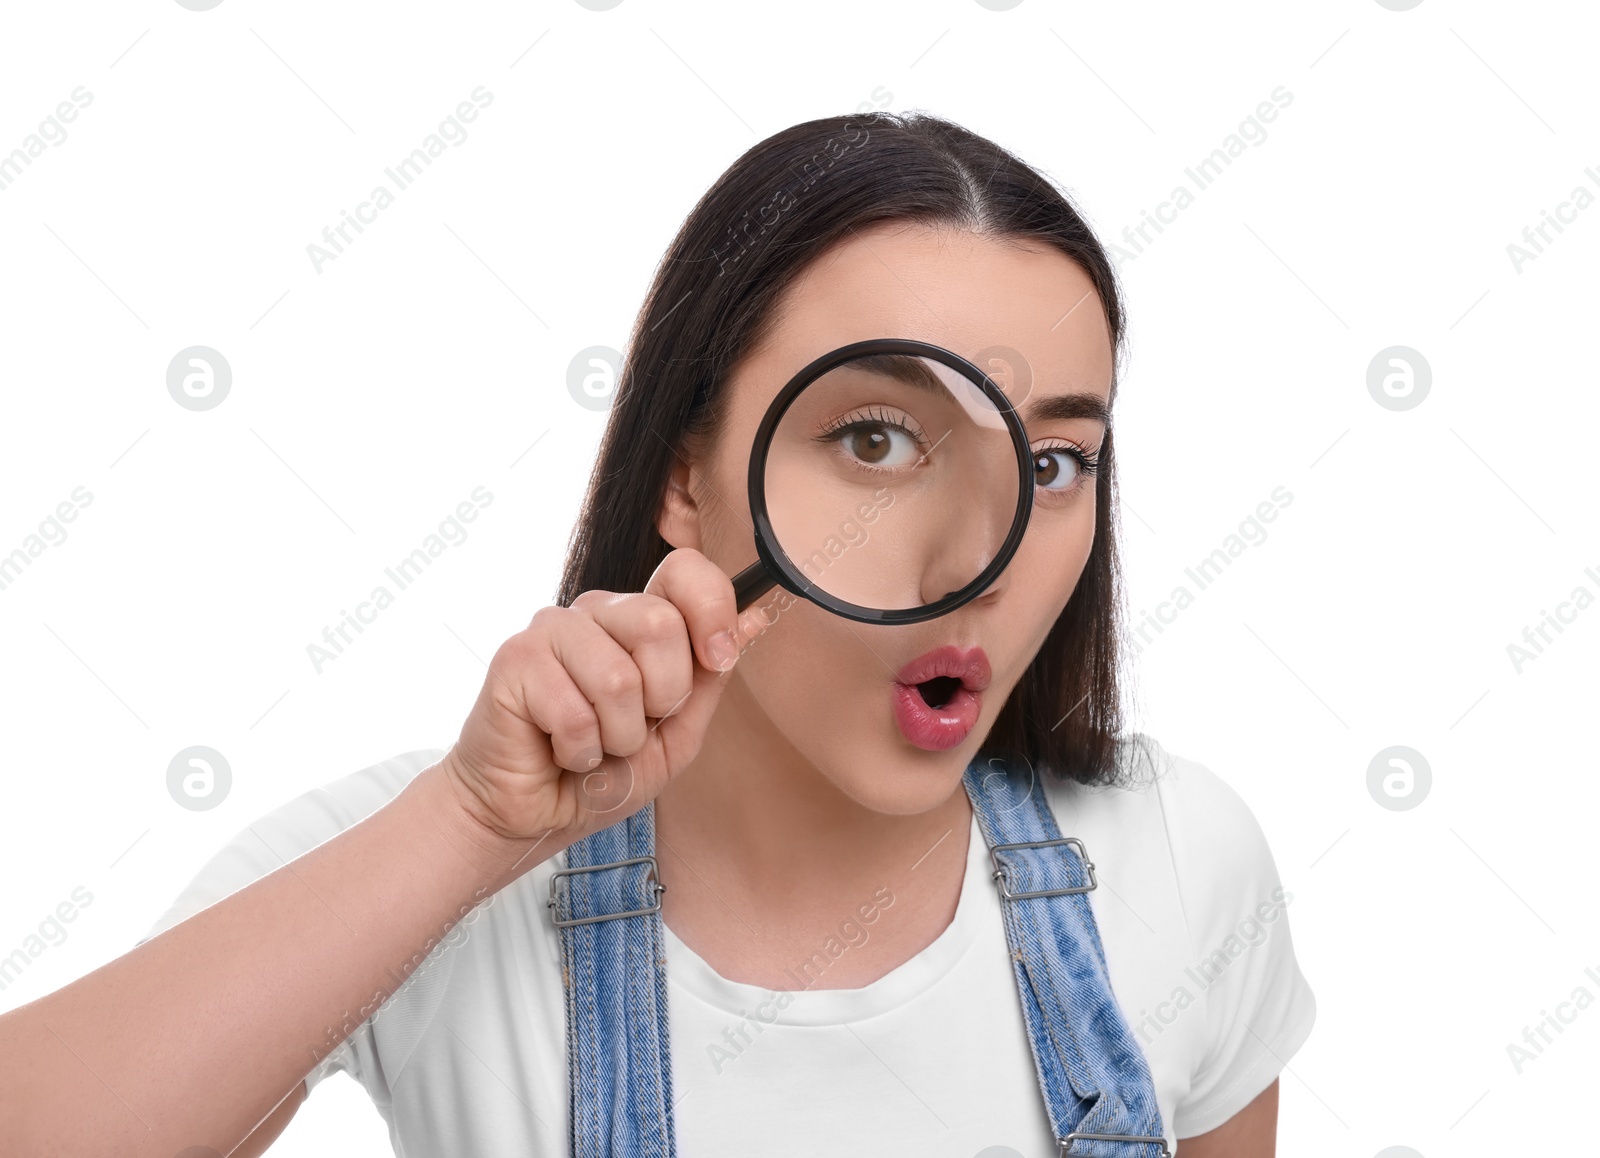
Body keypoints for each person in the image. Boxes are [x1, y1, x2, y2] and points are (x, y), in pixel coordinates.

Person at [0, 111, 1315, 1157]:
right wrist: (467, 828)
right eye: (875, 438)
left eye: (1053, 465)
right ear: (687, 474)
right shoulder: (424, 865)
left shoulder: (1184, 862)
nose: (982, 558)